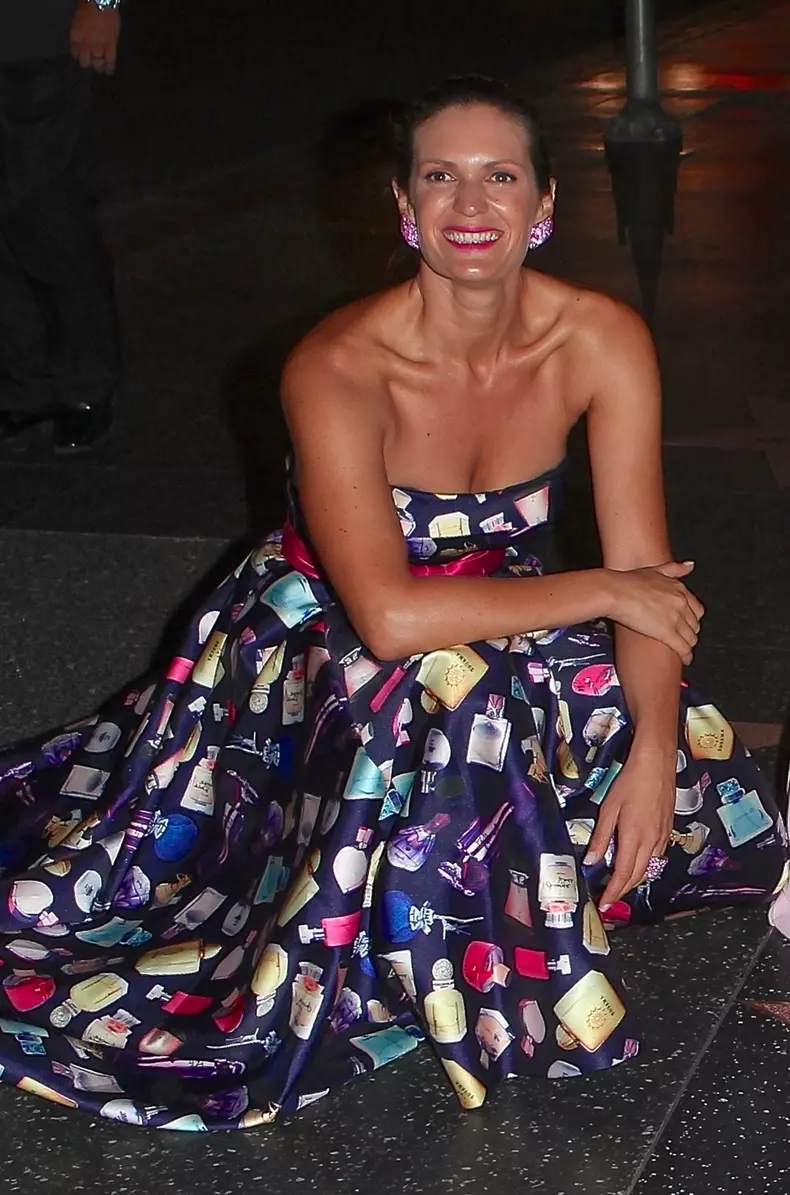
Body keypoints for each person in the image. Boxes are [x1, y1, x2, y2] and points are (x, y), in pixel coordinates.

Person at [0, 75, 787, 1132]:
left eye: (499, 176)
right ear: (405, 206)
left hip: (504, 602)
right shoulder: (338, 364)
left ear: (544, 203)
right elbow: (390, 616)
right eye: (441, 177)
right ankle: (474, 971)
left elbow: (648, 570)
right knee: (463, 699)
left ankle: (468, 897)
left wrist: (651, 748)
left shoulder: (599, 338)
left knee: (652, 756)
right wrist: (607, 590)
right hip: (320, 628)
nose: (472, 204)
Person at [0, 0, 122, 454]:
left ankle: (85, 383)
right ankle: (24, 384)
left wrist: (103, 2)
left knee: (49, 213)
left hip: (40, 36)